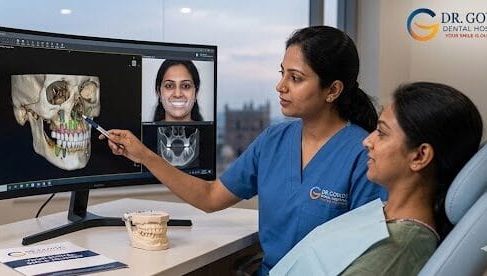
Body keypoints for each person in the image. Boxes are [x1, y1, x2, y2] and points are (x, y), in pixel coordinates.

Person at [100, 25, 387, 274]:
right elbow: (210, 197)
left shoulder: (364, 155)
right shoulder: (274, 140)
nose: (280, 86)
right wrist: (144, 155)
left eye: (295, 78)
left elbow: (370, 259)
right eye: (282, 73)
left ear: (332, 90)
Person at [271, 82, 483, 275]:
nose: (367, 141)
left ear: (419, 156)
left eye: (381, 133)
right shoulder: (384, 214)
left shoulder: (400, 245)